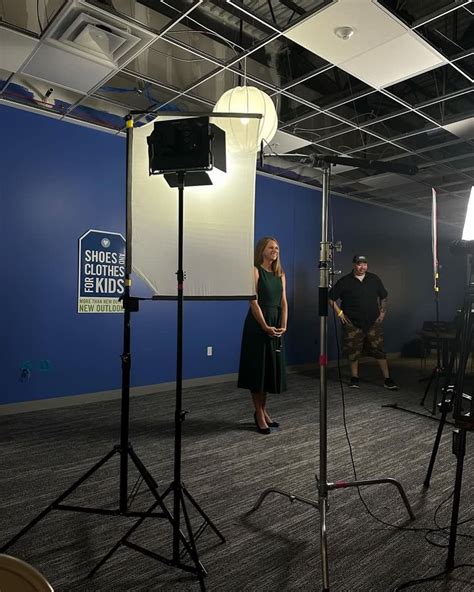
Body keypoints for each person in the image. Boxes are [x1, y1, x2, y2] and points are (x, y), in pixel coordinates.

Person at [237, 237, 288, 434]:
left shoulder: (280, 274)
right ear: (262, 250)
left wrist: (284, 324)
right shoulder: (255, 270)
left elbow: (283, 301)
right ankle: (259, 412)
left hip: (275, 322)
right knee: (258, 371)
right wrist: (265, 326)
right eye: (271, 247)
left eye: (277, 248)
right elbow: (253, 301)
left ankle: (264, 410)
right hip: (258, 324)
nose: (275, 250)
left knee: (268, 371)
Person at [328, 255, 398, 390]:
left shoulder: (374, 279)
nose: (362, 267)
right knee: (353, 352)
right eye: (359, 264)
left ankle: (387, 379)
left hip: (372, 323)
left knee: (379, 351)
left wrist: (382, 312)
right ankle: (354, 378)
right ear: (354, 265)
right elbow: (331, 298)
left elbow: (384, 296)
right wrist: (340, 313)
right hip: (353, 324)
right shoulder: (345, 281)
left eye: (364, 264)